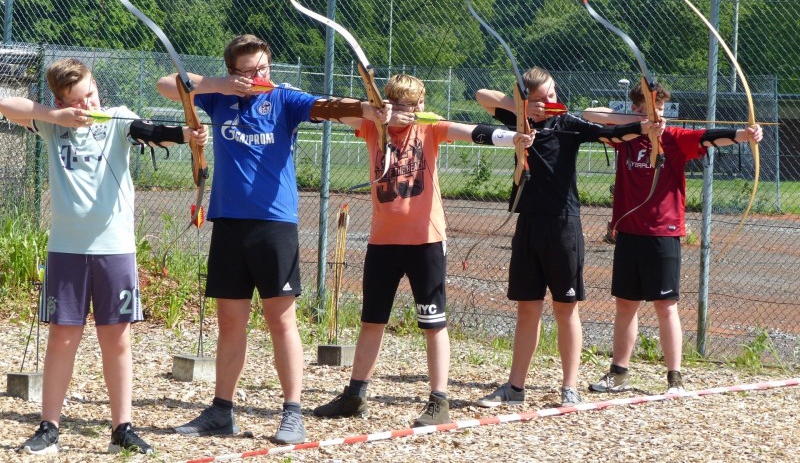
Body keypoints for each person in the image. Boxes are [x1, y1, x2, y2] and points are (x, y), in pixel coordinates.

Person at [156, 34, 390, 445]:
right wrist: (219, 84)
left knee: (281, 320)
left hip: (274, 224)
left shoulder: (283, 98)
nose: (257, 77)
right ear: (233, 72)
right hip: (229, 221)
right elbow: (167, 83)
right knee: (230, 322)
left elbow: (326, 106)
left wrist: (369, 109)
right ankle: (221, 411)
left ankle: (292, 413)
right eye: (247, 72)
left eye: (262, 68)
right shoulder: (216, 98)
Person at [0, 57, 208, 456]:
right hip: (66, 248)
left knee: (117, 339)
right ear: (63, 101)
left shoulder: (115, 118)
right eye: (80, 100)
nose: (90, 103)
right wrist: (57, 115)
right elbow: (9, 105)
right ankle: (49, 427)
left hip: (115, 249)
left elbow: (146, 131)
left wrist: (185, 134)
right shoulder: (52, 124)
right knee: (62, 338)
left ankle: (122, 427)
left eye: (91, 93)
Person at [312, 74, 534, 426]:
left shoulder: (429, 128)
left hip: (425, 242)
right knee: (372, 320)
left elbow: (471, 132)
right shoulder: (373, 127)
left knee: (433, 322)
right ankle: (355, 395)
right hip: (383, 242)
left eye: (414, 105)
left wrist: (513, 138)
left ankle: (439, 400)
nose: (408, 112)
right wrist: (376, 114)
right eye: (399, 104)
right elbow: (328, 110)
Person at [472, 67, 653, 408]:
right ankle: (515, 387)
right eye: (542, 98)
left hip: (563, 225)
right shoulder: (520, 122)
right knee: (528, 309)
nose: (550, 102)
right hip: (529, 223)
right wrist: (522, 109)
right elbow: (482, 95)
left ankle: (569, 387)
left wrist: (646, 127)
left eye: (552, 95)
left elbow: (609, 134)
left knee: (566, 309)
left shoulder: (567, 123)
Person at [582, 82, 763, 394]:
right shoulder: (625, 138)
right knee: (626, 305)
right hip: (629, 233)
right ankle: (619, 373)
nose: (659, 116)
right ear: (637, 110)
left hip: (663, 234)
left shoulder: (673, 138)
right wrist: (638, 125)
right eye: (652, 110)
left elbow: (707, 137)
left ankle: (674, 378)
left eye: (662, 110)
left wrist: (744, 135)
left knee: (666, 306)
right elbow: (590, 113)